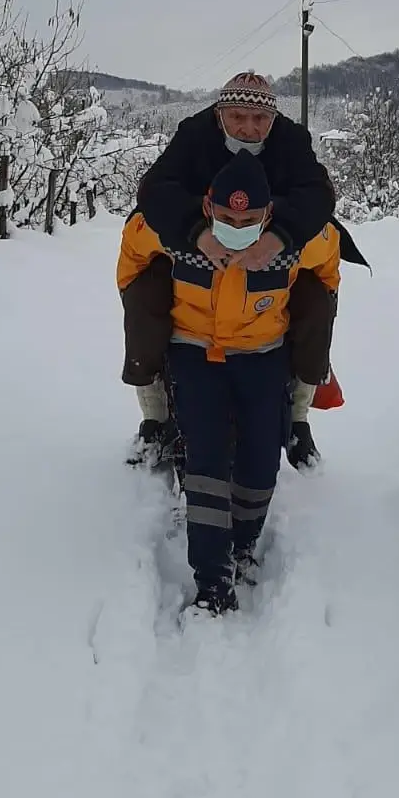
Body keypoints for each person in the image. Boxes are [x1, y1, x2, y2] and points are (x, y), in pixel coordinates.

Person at [116, 151, 341, 613]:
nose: (236, 223)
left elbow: (328, 262)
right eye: (225, 215)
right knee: (205, 462)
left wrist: (310, 306)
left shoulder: (294, 243)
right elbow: (132, 253)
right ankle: (213, 577)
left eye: (248, 217)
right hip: (194, 354)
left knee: (260, 461)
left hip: (262, 357)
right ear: (207, 209)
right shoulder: (176, 236)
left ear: (269, 214)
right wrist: (147, 304)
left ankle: (243, 543)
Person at [120, 71, 355, 468]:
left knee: (317, 302)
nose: (249, 128)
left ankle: (298, 417)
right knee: (145, 296)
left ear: (273, 119)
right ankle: (155, 416)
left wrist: (280, 235)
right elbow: (154, 190)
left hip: (271, 240)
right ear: (220, 114)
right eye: (238, 117)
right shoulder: (194, 134)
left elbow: (319, 194)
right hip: (197, 239)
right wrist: (196, 233)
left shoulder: (292, 141)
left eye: (260, 119)